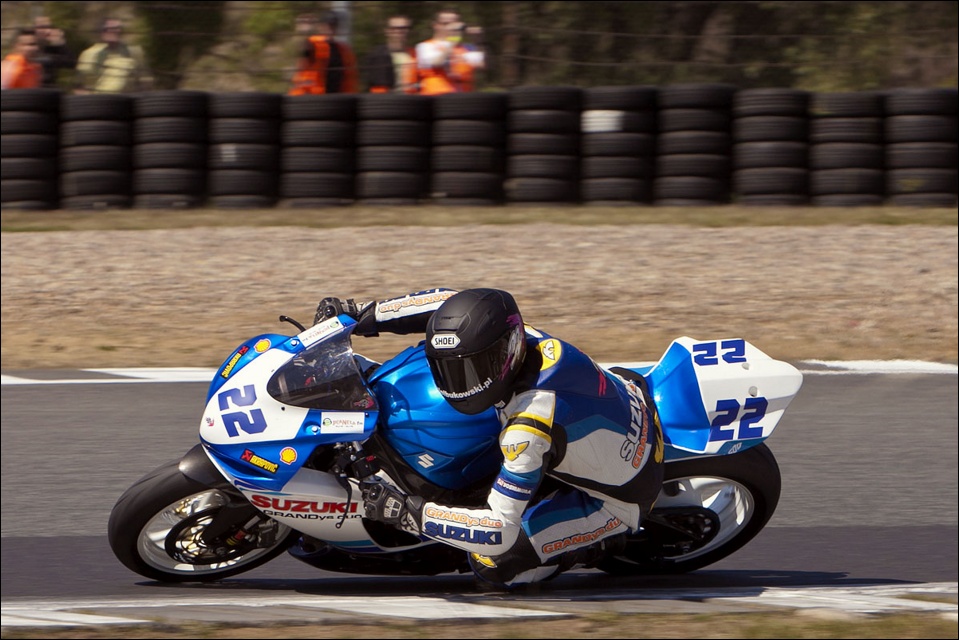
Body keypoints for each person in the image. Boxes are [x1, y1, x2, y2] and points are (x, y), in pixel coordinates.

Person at [313, 288, 665, 590]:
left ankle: (600, 543)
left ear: (503, 355)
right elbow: (447, 302)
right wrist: (360, 314)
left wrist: (411, 514)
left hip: (619, 496)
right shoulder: (515, 332)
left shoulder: (527, 428)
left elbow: (498, 531)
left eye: (468, 371)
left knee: (492, 564)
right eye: (447, 370)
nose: (454, 384)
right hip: (624, 400)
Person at [288, 11, 359, 96]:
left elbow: (350, 75)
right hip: (311, 95)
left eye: (334, 26)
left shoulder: (343, 50)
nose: (331, 29)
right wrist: (304, 32)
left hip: (336, 97)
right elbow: (302, 50)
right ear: (321, 26)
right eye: (328, 25)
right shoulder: (314, 43)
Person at [75, 18, 152, 94]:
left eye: (117, 28)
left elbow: (145, 80)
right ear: (101, 32)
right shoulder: (89, 54)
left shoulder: (133, 52)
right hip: (98, 98)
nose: (113, 32)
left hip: (125, 98)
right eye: (108, 29)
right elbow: (80, 85)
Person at [363, 15, 417, 94]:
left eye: (405, 28)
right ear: (387, 31)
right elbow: (377, 86)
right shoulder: (378, 55)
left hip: (414, 98)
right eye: (396, 28)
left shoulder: (416, 54)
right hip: (387, 99)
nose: (401, 32)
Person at [413, 9, 462, 95]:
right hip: (434, 94)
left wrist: (479, 39)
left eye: (454, 24)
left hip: (458, 94)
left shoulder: (463, 48)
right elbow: (436, 63)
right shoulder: (425, 46)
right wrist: (451, 43)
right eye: (446, 24)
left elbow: (481, 63)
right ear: (435, 25)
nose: (451, 28)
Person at [33, 15, 76, 89]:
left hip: (48, 89)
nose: (47, 31)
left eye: (49, 27)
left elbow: (71, 63)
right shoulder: (29, 46)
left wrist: (60, 43)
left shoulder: (51, 48)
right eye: (42, 27)